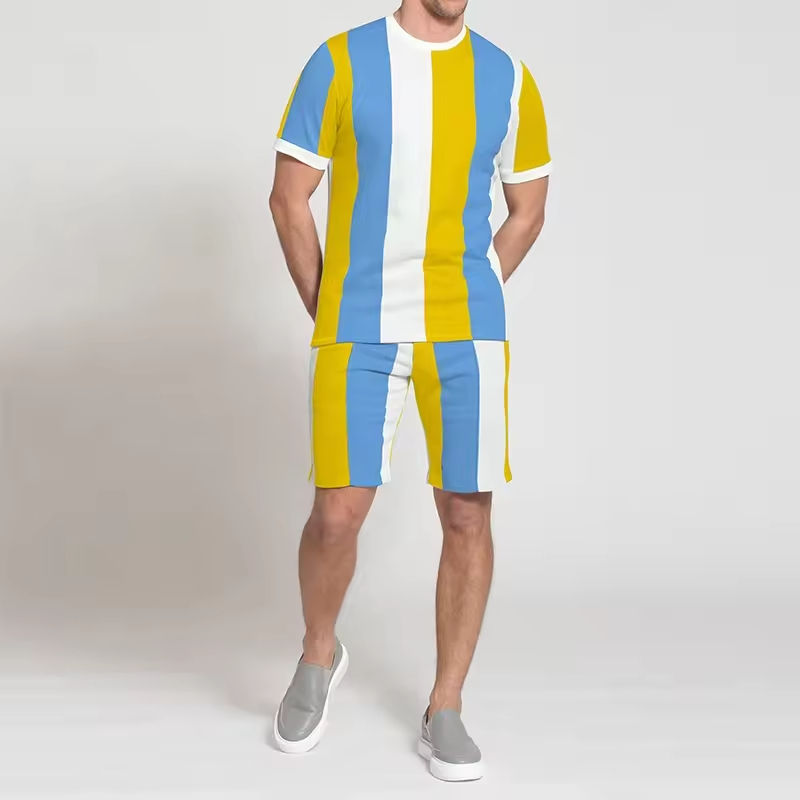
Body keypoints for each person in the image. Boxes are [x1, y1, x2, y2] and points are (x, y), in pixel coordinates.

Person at [268, 0, 550, 782]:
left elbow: (528, 209)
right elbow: (289, 198)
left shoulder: (507, 76)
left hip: (466, 331)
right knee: (337, 512)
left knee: (467, 512)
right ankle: (318, 654)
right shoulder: (340, 61)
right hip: (360, 323)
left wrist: (474, 291)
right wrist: (330, 307)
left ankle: (445, 705)